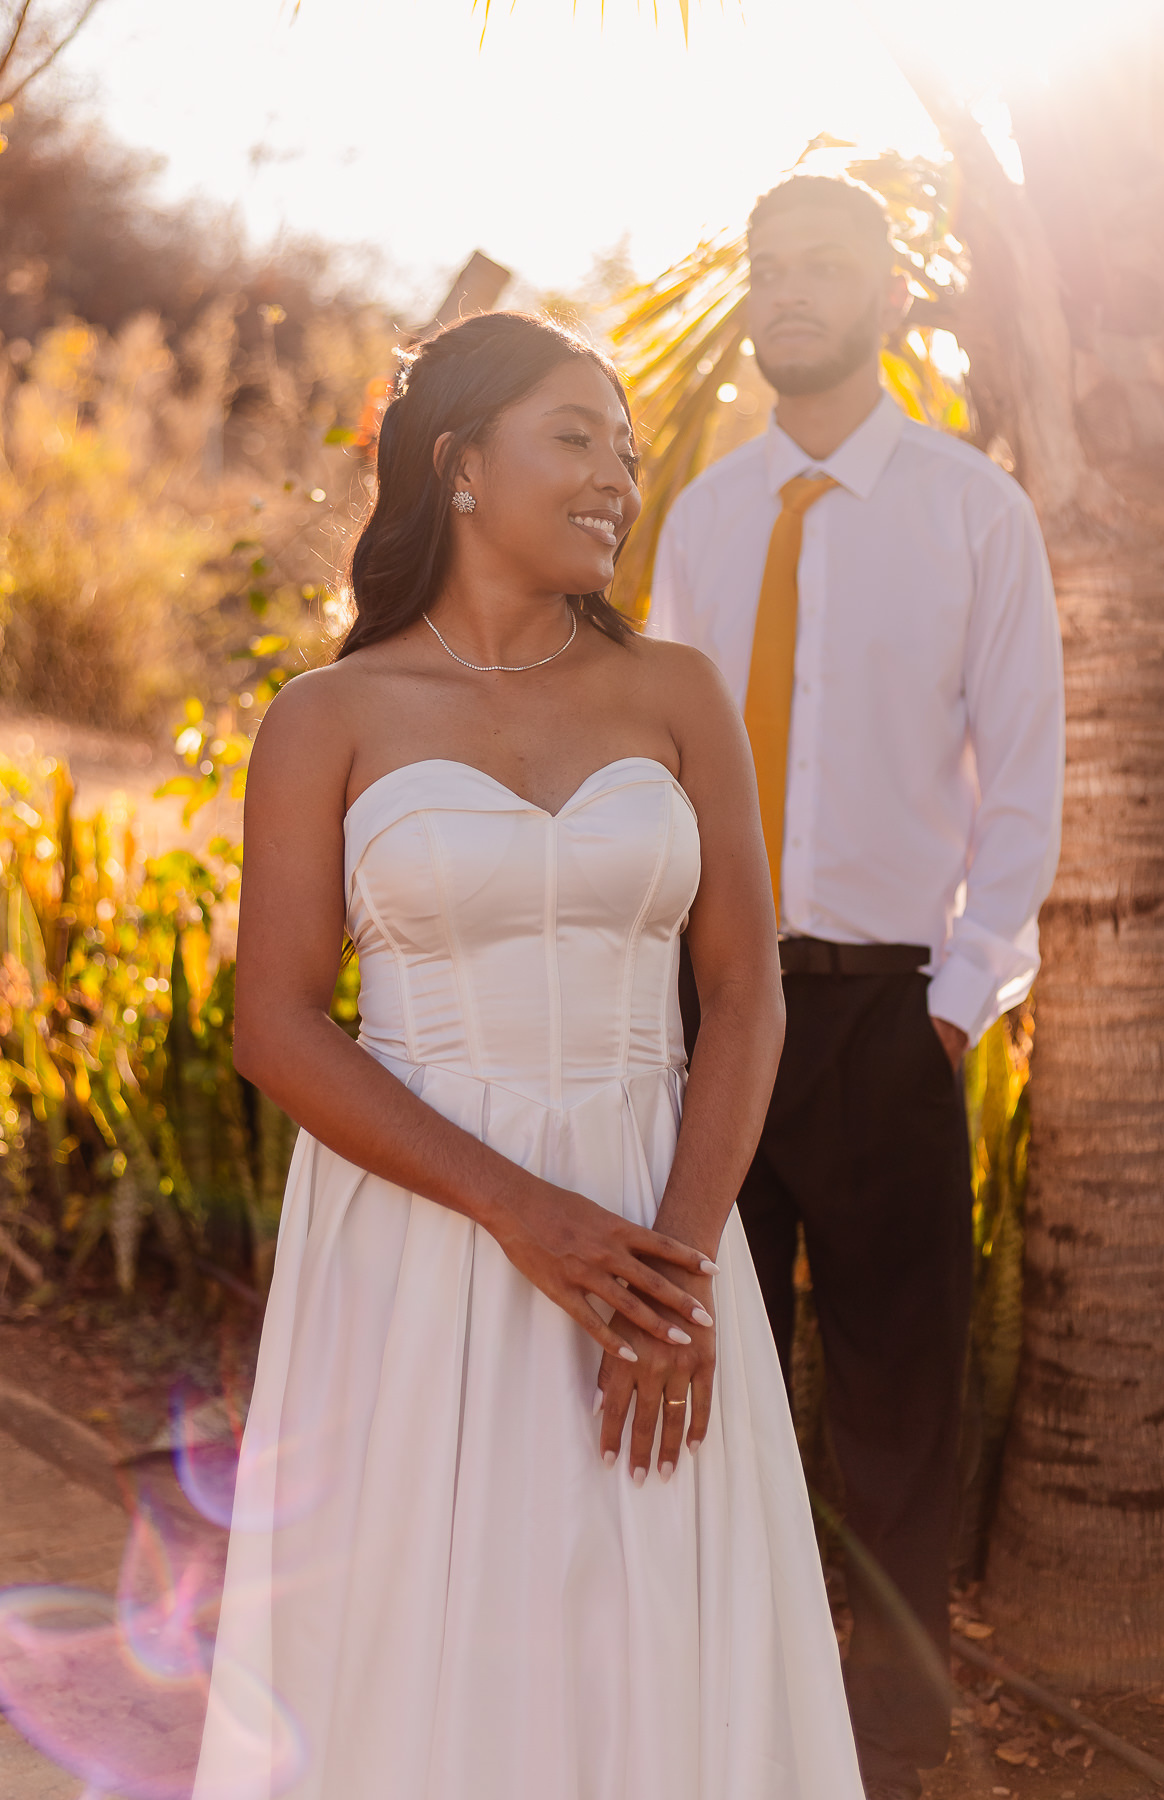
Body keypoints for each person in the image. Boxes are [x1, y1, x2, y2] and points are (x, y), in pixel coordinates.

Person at [192, 311, 866, 1800]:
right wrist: (519, 1211)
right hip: (422, 1235)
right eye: (576, 438)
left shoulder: (676, 693)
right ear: (461, 467)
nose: (617, 477)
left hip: (651, 1227)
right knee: (432, 1631)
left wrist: (671, 1275)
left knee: (642, 1613)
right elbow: (279, 1023)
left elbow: (745, 994)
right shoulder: (330, 717)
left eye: (625, 450)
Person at [649, 176, 1065, 1800]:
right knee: (703, 1373)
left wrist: (956, 1000)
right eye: (765, 266)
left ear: (890, 290)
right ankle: (717, 1708)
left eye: (822, 265)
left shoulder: (977, 513)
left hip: (892, 1015)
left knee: (899, 1392)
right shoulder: (700, 517)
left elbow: (1024, 788)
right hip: (710, 1010)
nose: (785, 290)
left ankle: (893, 1747)